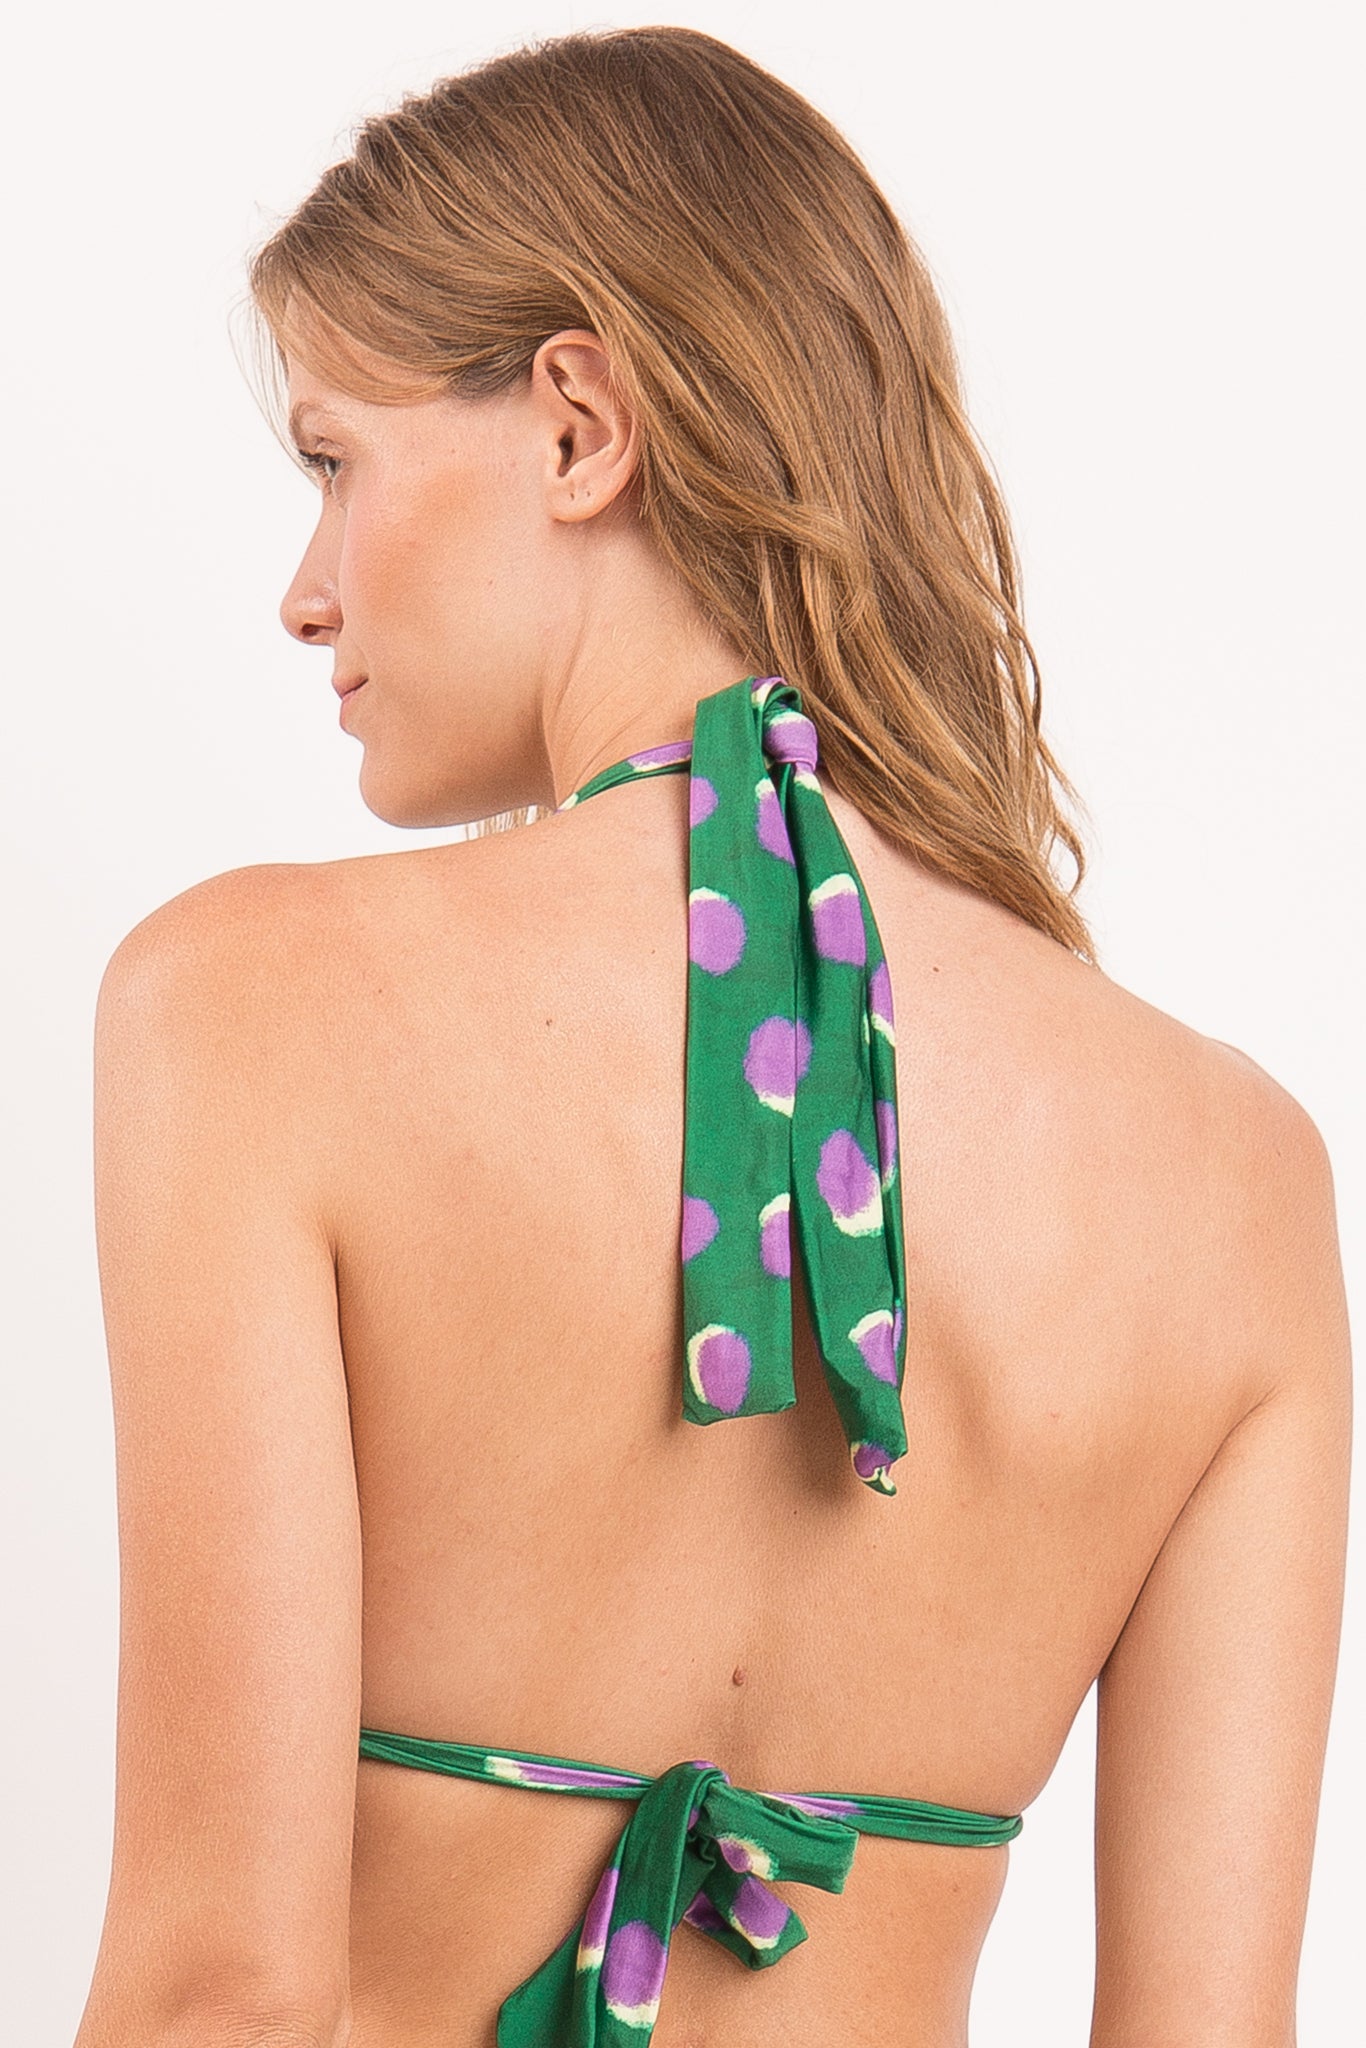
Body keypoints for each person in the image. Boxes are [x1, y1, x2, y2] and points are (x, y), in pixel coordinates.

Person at [73, 25, 1350, 2048]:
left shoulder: (254, 1009)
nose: (306, 594)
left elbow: (216, 1995)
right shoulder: (1237, 1179)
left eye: (333, 460)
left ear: (579, 426)